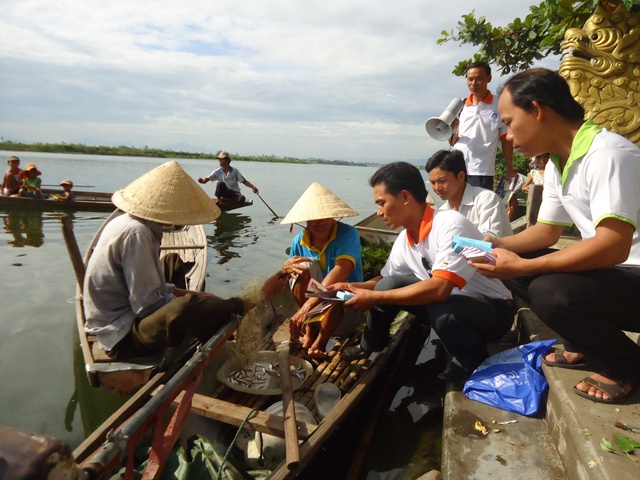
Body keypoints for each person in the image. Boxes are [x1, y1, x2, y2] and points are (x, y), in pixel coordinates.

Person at [472, 68, 640, 404]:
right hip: (621, 276)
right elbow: (546, 232)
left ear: (536, 110)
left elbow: (614, 245)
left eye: (508, 121)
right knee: (514, 271)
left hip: (632, 270)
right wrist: (499, 245)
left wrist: (524, 267)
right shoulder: (556, 164)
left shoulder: (607, 154)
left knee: (549, 289)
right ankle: (583, 344)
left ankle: (626, 366)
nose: (506, 135)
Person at [83, 161, 288, 360]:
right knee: (186, 308)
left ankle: (192, 323)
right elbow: (146, 306)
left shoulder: (132, 222)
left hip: (130, 311)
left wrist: (194, 293)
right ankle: (249, 301)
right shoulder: (137, 233)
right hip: (122, 335)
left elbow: (154, 289)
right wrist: (194, 303)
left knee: (172, 261)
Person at [338, 162, 514, 382]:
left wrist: (375, 297)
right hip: (450, 302)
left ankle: (470, 362)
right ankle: (371, 343)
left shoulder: (452, 224)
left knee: (443, 312)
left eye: (382, 203)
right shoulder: (405, 237)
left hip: (493, 309)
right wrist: (353, 288)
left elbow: (440, 289)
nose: (379, 212)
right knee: (388, 284)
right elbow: (384, 279)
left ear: (404, 197)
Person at [279, 182, 364, 359]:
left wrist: (307, 307)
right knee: (302, 267)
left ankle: (321, 342)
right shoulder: (298, 241)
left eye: (325, 216)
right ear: (306, 220)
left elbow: (343, 269)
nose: (320, 222)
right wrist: (285, 267)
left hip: (344, 312)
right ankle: (309, 330)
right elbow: (290, 278)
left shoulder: (348, 234)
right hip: (312, 314)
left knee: (335, 289)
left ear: (333, 216)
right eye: (314, 218)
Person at [449, 61, 516, 190]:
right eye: (470, 79)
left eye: (478, 79)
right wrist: (451, 130)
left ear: (488, 79)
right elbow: (452, 142)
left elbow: (506, 139)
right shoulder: (460, 106)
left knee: (481, 208)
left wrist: (510, 169)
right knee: (457, 209)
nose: (473, 84)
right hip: (457, 169)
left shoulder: (500, 105)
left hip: (482, 170)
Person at [426, 149, 512, 238]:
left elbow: (490, 239)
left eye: (442, 181)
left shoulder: (487, 199)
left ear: (461, 176)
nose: (437, 188)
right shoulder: (443, 211)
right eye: (432, 183)